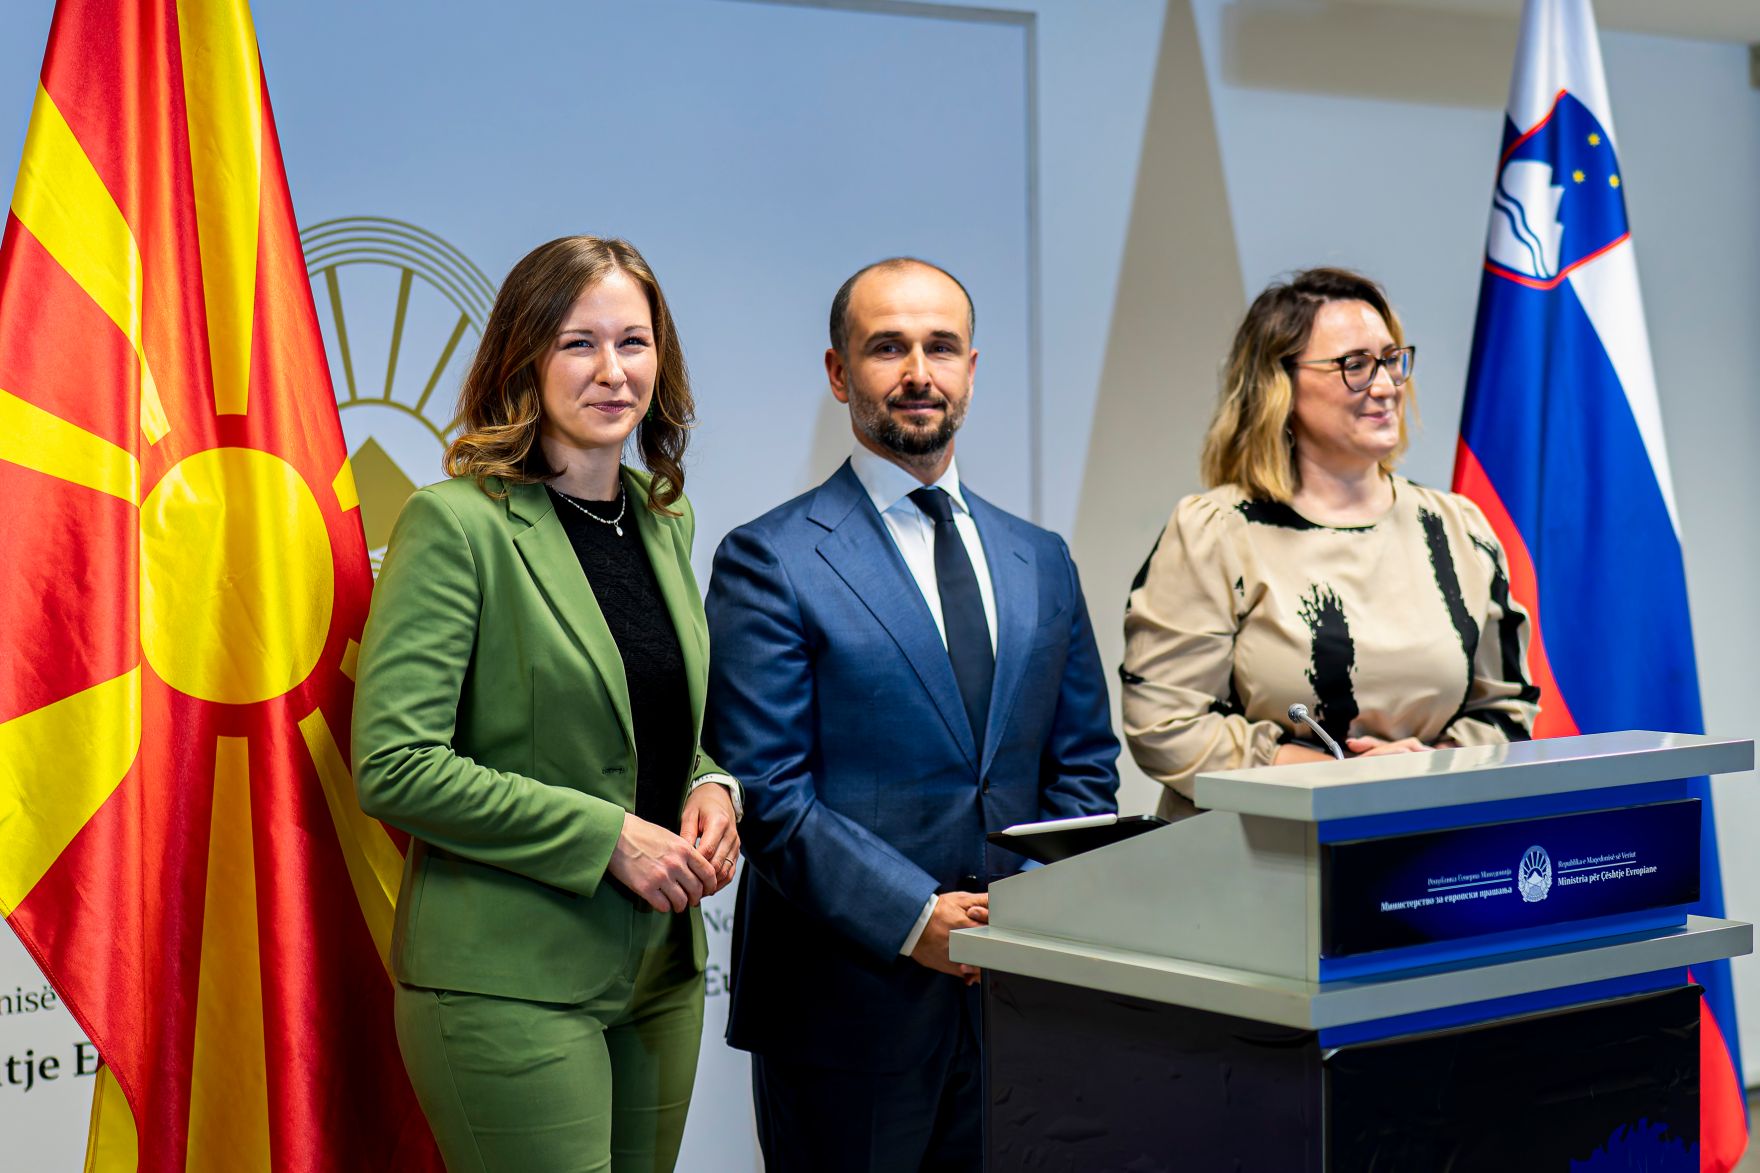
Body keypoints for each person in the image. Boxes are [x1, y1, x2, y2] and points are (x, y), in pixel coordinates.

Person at [703, 257, 1120, 1172]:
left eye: (940, 346)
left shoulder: (1040, 558)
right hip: (845, 1011)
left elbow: (1086, 761)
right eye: (887, 347)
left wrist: (1028, 908)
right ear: (838, 372)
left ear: (973, 365)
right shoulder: (769, 559)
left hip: (1020, 998)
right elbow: (766, 791)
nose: (917, 372)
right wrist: (916, 916)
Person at [352, 236, 742, 1173]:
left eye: (635, 342)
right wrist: (607, 833)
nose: (613, 372)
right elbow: (395, 764)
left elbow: (659, 721)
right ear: (524, 357)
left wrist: (716, 783)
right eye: (579, 343)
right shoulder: (456, 523)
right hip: (506, 980)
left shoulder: (662, 514)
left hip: (658, 966)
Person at [1121, 267, 1539, 819]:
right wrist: (1338, 776)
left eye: (1391, 360)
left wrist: (1427, 769)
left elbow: (1505, 706)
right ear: (1280, 385)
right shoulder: (1216, 532)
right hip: (1258, 857)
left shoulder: (1458, 529)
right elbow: (1165, 723)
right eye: (1355, 366)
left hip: (1434, 847)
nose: (1388, 385)